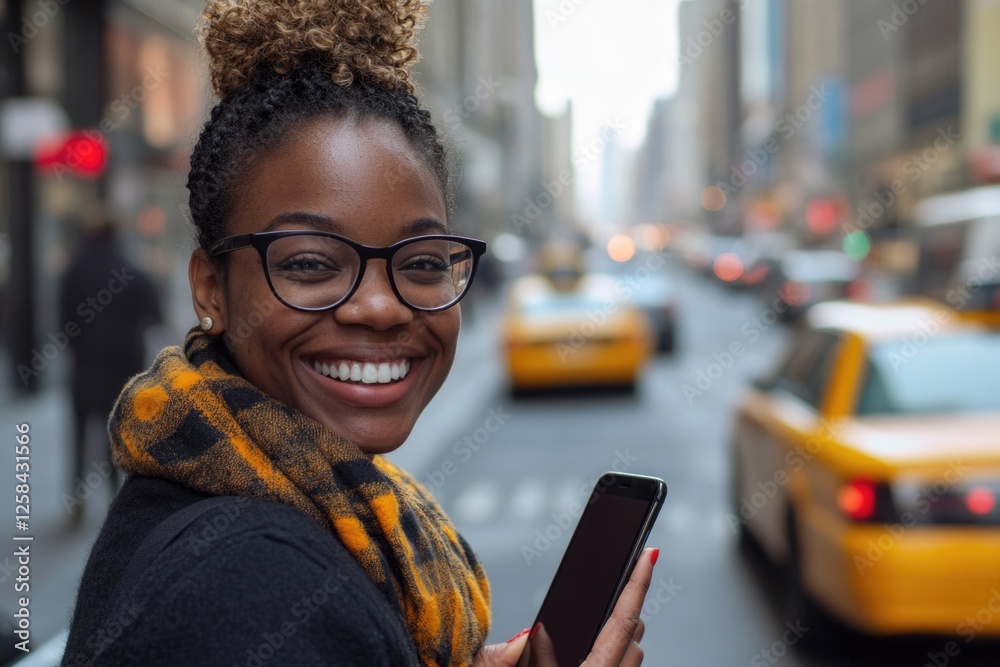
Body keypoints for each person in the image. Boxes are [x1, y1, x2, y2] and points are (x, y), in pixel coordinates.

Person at [61, 1, 659, 665]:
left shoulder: (323, 519)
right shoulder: (249, 585)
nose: (380, 307)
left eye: (423, 262)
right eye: (312, 262)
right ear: (211, 288)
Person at [57, 216, 161, 524]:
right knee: (118, 434)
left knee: (79, 432)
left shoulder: (73, 272)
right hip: (124, 368)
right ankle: (117, 498)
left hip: (85, 367)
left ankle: (77, 498)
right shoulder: (132, 272)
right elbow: (153, 316)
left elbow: (62, 324)